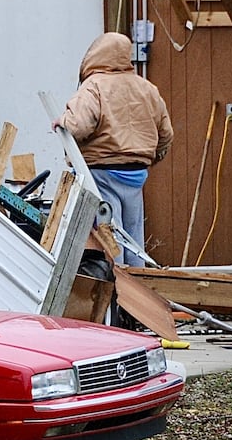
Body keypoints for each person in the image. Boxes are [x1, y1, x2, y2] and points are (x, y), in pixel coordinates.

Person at [53, 31, 174, 268]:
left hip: (102, 172)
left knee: (111, 237)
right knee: (134, 238)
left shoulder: (94, 86)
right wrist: (150, 157)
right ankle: (138, 296)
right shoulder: (147, 89)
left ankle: (115, 290)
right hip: (136, 174)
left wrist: (62, 123)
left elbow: (79, 125)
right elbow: (166, 135)